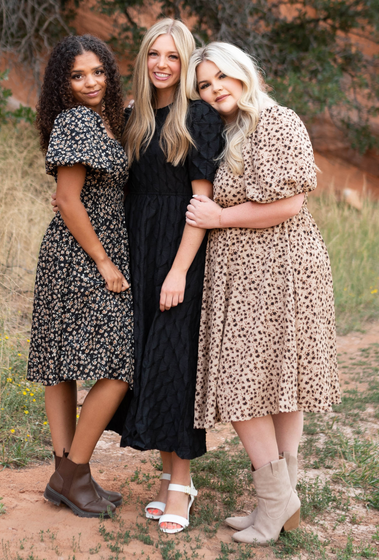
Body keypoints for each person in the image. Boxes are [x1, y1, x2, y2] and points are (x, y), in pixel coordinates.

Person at [185, 42, 341, 544]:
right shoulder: (232, 128)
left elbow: (289, 204)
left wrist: (219, 217)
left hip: (279, 264)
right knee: (273, 378)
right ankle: (281, 502)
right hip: (242, 266)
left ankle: (276, 503)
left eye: (221, 78)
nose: (215, 90)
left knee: (244, 380)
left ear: (244, 72)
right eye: (205, 85)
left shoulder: (278, 121)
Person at [116, 19, 223, 534]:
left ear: (185, 64)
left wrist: (179, 270)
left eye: (174, 57)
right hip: (138, 247)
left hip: (179, 251)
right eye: (154, 54)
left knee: (173, 364)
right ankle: (167, 477)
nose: (162, 64)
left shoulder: (197, 116)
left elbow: (202, 201)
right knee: (147, 362)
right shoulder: (134, 115)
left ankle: (181, 484)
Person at [27, 35, 134, 518]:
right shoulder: (74, 121)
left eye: (97, 72)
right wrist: (105, 262)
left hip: (92, 250)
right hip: (80, 255)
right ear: (62, 83)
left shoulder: (108, 120)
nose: (90, 82)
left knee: (65, 360)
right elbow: (68, 199)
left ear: (109, 72)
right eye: (77, 75)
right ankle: (74, 474)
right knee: (118, 362)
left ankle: (67, 477)